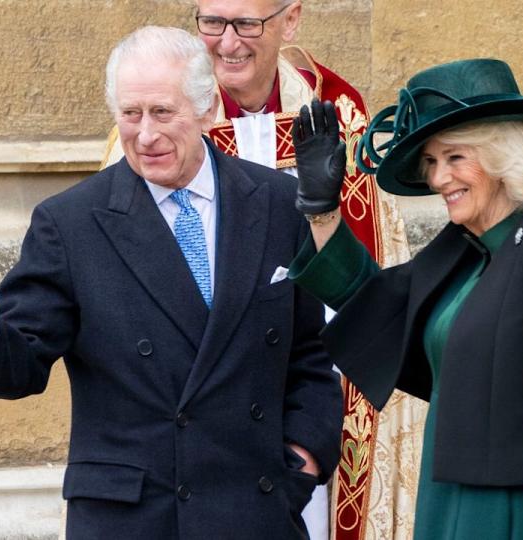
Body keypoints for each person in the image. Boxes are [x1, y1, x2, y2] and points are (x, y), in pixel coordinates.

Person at [0, 26, 343, 539]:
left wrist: (300, 463)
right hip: (131, 519)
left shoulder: (276, 201)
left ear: (205, 110)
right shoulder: (70, 222)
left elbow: (310, 355)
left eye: (162, 112)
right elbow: (23, 361)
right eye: (131, 114)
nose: (145, 135)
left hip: (254, 510)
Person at [287, 59, 523, 539]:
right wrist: (322, 212)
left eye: (455, 158)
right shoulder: (467, 246)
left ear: (504, 156)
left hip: (510, 511)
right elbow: (380, 311)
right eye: (432, 162)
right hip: (449, 499)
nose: (438, 179)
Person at [100, 2, 417, 538]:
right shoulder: (159, 119)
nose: (228, 43)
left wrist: (306, 453)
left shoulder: (335, 112)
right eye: (212, 23)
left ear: (289, 20)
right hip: (194, 418)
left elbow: (369, 273)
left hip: (302, 400)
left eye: (247, 23)